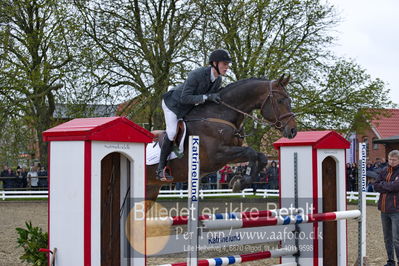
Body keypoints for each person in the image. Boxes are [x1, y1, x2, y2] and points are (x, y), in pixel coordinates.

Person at [157, 49, 232, 181]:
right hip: (173, 105)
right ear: (214, 63)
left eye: (228, 64)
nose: (227, 67)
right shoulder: (196, 74)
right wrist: (207, 96)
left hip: (188, 108)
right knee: (172, 132)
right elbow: (185, 98)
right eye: (224, 64)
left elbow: (207, 101)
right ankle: (160, 169)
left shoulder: (218, 80)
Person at [373, 150, 399, 266]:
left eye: (394, 160)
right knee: (387, 238)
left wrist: (384, 185)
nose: (391, 162)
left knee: (396, 239)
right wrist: (387, 185)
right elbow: (376, 186)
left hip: (396, 210)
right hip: (384, 209)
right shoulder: (384, 170)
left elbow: (396, 186)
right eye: (390, 159)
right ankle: (390, 261)